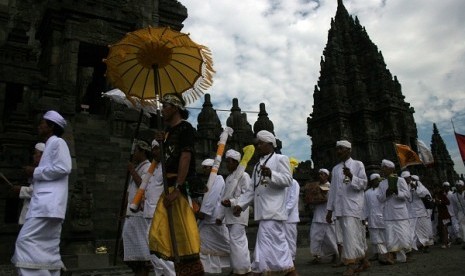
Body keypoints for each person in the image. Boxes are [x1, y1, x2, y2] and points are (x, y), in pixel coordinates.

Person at [148, 93, 203, 275]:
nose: (162, 110)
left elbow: (185, 157)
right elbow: (165, 160)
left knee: (184, 237)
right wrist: (161, 144)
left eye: (165, 106)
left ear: (176, 108)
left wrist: (178, 188)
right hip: (169, 186)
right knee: (163, 235)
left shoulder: (185, 128)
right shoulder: (168, 133)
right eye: (162, 106)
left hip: (180, 188)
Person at [11, 110, 72, 276]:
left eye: (43, 123)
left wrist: (35, 172)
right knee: (47, 249)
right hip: (47, 206)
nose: (40, 126)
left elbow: (64, 168)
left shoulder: (58, 143)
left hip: (47, 206)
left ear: (51, 126)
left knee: (24, 243)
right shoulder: (52, 143)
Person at [234, 130, 296, 275]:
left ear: (270, 144)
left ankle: (261, 271)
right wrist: (240, 205)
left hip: (274, 210)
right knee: (273, 246)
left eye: (261, 143)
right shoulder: (257, 166)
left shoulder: (281, 159)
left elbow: (288, 180)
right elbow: (251, 189)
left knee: (268, 246)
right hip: (263, 212)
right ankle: (286, 271)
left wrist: (271, 174)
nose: (258, 146)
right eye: (258, 144)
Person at [325, 140, 368, 276]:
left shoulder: (357, 164)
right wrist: (329, 210)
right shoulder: (336, 169)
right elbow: (332, 190)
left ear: (349, 150)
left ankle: (350, 265)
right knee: (349, 236)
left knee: (350, 236)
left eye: (341, 149)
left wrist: (351, 176)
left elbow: (364, 184)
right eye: (337, 149)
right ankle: (364, 260)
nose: (338, 151)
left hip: (353, 206)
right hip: (340, 208)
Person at [217, 149, 253, 275]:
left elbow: (247, 195)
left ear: (236, 162)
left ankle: (243, 269)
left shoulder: (244, 176)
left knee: (238, 241)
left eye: (229, 162)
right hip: (229, 216)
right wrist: (220, 216)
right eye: (226, 162)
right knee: (234, 242)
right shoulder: (228, 178)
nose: (227, 164)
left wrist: (232, 202)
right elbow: (224, 198)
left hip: (239, 214)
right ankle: (238, 268)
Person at [122, 140, 152, 276]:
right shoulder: (139, 167)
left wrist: (132, 170)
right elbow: (129, 192)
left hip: (140, 214)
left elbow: (143, 185)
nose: (133, 154)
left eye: (136, 151)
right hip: (130, 213)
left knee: (142, 252)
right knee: (131, 252)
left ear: (142, 152)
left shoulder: (148, 167)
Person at [147, 140, 175, 276]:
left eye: (158, 148)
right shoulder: (154, 167)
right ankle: (162, 273)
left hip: (160, 213)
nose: (155, 152)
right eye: (153, 149)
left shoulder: (168, 166)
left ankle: (171, 273)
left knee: (160, 246)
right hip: (148, 212)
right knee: (152, 247)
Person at [197, 158, 230, 273]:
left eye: (206, 168)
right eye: (203, 168)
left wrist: (203, 211)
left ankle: (238, 261)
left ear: (212, 168)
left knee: (226, 243)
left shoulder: (219, 179)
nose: (204, 170)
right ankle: (211, 268)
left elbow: (212, 198)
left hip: (214, 217)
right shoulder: (209, 181)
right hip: (206, 220)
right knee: (202, 243)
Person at [377, 160, 411, 264]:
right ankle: (390, 257)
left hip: (400, 214)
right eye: (382, 167)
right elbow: (380, 198)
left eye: (385, 167)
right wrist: (387, 193)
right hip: (388, 214)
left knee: (403, 236)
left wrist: (397, 192)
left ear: (391, 169)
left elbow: (407, 196)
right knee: (390, 237)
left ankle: (403, 256)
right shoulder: (382, 183)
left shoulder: (400, 180)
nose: (383, 169)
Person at [10, 142, 45, 225]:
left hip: (37, 213)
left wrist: (20, 189)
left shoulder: (45, 171)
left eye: (36, 154)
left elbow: (39, 191)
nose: (33, 156)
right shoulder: (36, 169)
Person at [308, 168, 338, 265]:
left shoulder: (331, 186)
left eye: (322, 174)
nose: (320, 176)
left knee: (330, 237)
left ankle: (335, 255)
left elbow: (332, 201)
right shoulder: (316, 186)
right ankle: (317, 256)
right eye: (319, 174)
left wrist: (323, 198)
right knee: (314, 236)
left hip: (327, 215)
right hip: (317, 215)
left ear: (327, 176)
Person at [404, 172, 433, 253]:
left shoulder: (420, 186)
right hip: (410, 213)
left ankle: (426, 245)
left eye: (408, 178)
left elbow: (424, 194)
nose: (408, 181)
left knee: (423, 230)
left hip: (421, 212)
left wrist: (416, 187)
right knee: (412, 231)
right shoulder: (406, 188)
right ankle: (417, 245)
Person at [364, 173, 388, 264]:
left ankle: (385, 253)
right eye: (376, 180)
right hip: (371, 217)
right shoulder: (367, 193)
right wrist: (365, 217)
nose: (378, 181)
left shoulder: (382, 190)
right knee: (374, 237)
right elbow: (365, 206)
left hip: (382, 216)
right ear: (372, 181)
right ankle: (376, 253)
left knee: (383, 235)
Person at [284, 158, 300, 261]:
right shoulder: (283, 183)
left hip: (290, 217)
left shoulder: (294, 183)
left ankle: (291, 259)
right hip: (281, 216)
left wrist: (284, 212)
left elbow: (293, 200)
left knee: (290, 239)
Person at [434, 183, 451, 248]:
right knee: (441, 228)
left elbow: (448, 202)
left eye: (437, 188)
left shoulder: (442, 195)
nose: (436, 189)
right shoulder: (436, 195)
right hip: (440, 214)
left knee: (444, 228)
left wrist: (440, 201)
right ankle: (446, 241)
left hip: (444, 214)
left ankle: (446, 243)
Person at [450, 180, 465, 249]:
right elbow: (454, 207)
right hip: (460, 213)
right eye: (457, 186)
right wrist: (456, 216)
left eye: (460, 186)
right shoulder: (453, 196)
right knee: (462, 228)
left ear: (463, 186)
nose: (459, 187)